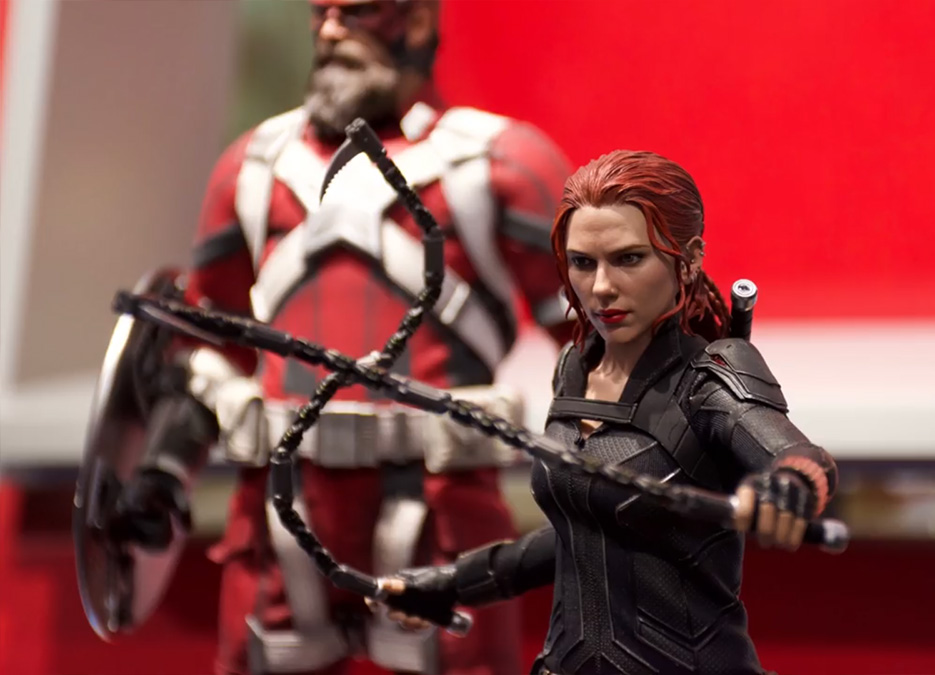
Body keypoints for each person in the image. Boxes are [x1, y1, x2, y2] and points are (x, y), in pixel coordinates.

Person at [113, 1, 575, 674]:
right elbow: (208, 352)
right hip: (280, 512)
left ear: (418, 21)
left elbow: (598, 343)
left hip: (442, 513)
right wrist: (163, 472)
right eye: (321, 12)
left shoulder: (501, 164)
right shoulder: (253, 168)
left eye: (357, 11)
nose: (331, 30)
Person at [369, 150, 839, 675]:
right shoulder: (574, 368)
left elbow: (799, 456)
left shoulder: (710, 376)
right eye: (583, 263)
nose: (601, 288)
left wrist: (787, 488)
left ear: (688, 259)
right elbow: (580, 534)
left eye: (629, 259)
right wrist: (452, 583)